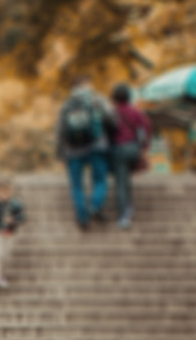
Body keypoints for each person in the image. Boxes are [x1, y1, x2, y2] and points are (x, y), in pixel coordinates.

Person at [56, 77, 111, 228]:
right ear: (87, 85)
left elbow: (60, 130)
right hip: (96, 146)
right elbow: (111, 118)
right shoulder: (97, 99)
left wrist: (60, 153)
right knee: (100, 180)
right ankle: (94, 206)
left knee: (77, 186)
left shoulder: (67, 104)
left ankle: (82, 217)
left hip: (73, 150)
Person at [108, 82, 152, 228]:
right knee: (126, 180)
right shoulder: (136, 112)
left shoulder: (112, 112)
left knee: (121, 182)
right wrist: (144, 147)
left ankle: (124, 217)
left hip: (119, 149)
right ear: (129, 96)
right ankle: (129, 207)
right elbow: (145, 128)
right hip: (133, 148)